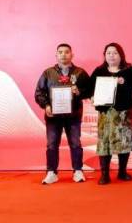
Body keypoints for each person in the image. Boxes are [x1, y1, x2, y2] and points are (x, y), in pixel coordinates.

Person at [34, 43, 91, 184]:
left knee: (75, 144)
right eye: (60, 52)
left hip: (73, 115)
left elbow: (90, 91)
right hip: (53, 117)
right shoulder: (48, 73)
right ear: (56, 55)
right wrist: (46, 105)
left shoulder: (80, 73)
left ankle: (78, 170)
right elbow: (39, 93)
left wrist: (79, 92)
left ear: (72, 55)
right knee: (52, 145)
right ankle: (51, 172)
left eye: (66, 52)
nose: (63, 55)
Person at [90, 43, 132, 185]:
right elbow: (90, 88)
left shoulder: (130, 70)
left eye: (115, 53)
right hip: (106, 113)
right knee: (104, 143)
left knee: (125, 142)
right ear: (105, 55)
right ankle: (104, 174)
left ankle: (122, 172)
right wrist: (92, 96)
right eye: (108, 53)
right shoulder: (99, 71)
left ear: (121, 55)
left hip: (125, 113)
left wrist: (124, 82)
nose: (111, 55)